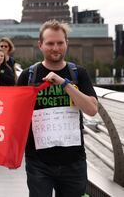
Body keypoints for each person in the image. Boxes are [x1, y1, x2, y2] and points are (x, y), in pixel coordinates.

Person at [17, 20, 98, 197]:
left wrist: (65, 84)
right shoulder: (28, 76)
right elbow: (15, 116)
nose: (56, 48)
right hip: (38, 161)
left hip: (73, 161)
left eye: (60, 43)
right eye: (50, 43)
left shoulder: (78, 73)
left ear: (66, 43)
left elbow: (92, 109)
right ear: (40, 45)